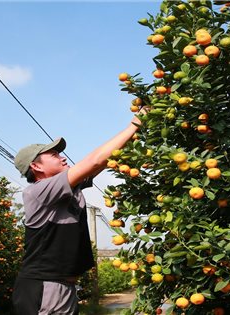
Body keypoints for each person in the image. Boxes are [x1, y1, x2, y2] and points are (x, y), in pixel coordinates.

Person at [11, 110, 145, 315]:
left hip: (60, 285)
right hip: (44, 286)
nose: (63, 158)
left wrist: (139, 129)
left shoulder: (67, 189)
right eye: (54, 155)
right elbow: (93, 161)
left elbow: (102, 162)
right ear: (36, 166)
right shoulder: (39, 191)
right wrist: (134, 124)